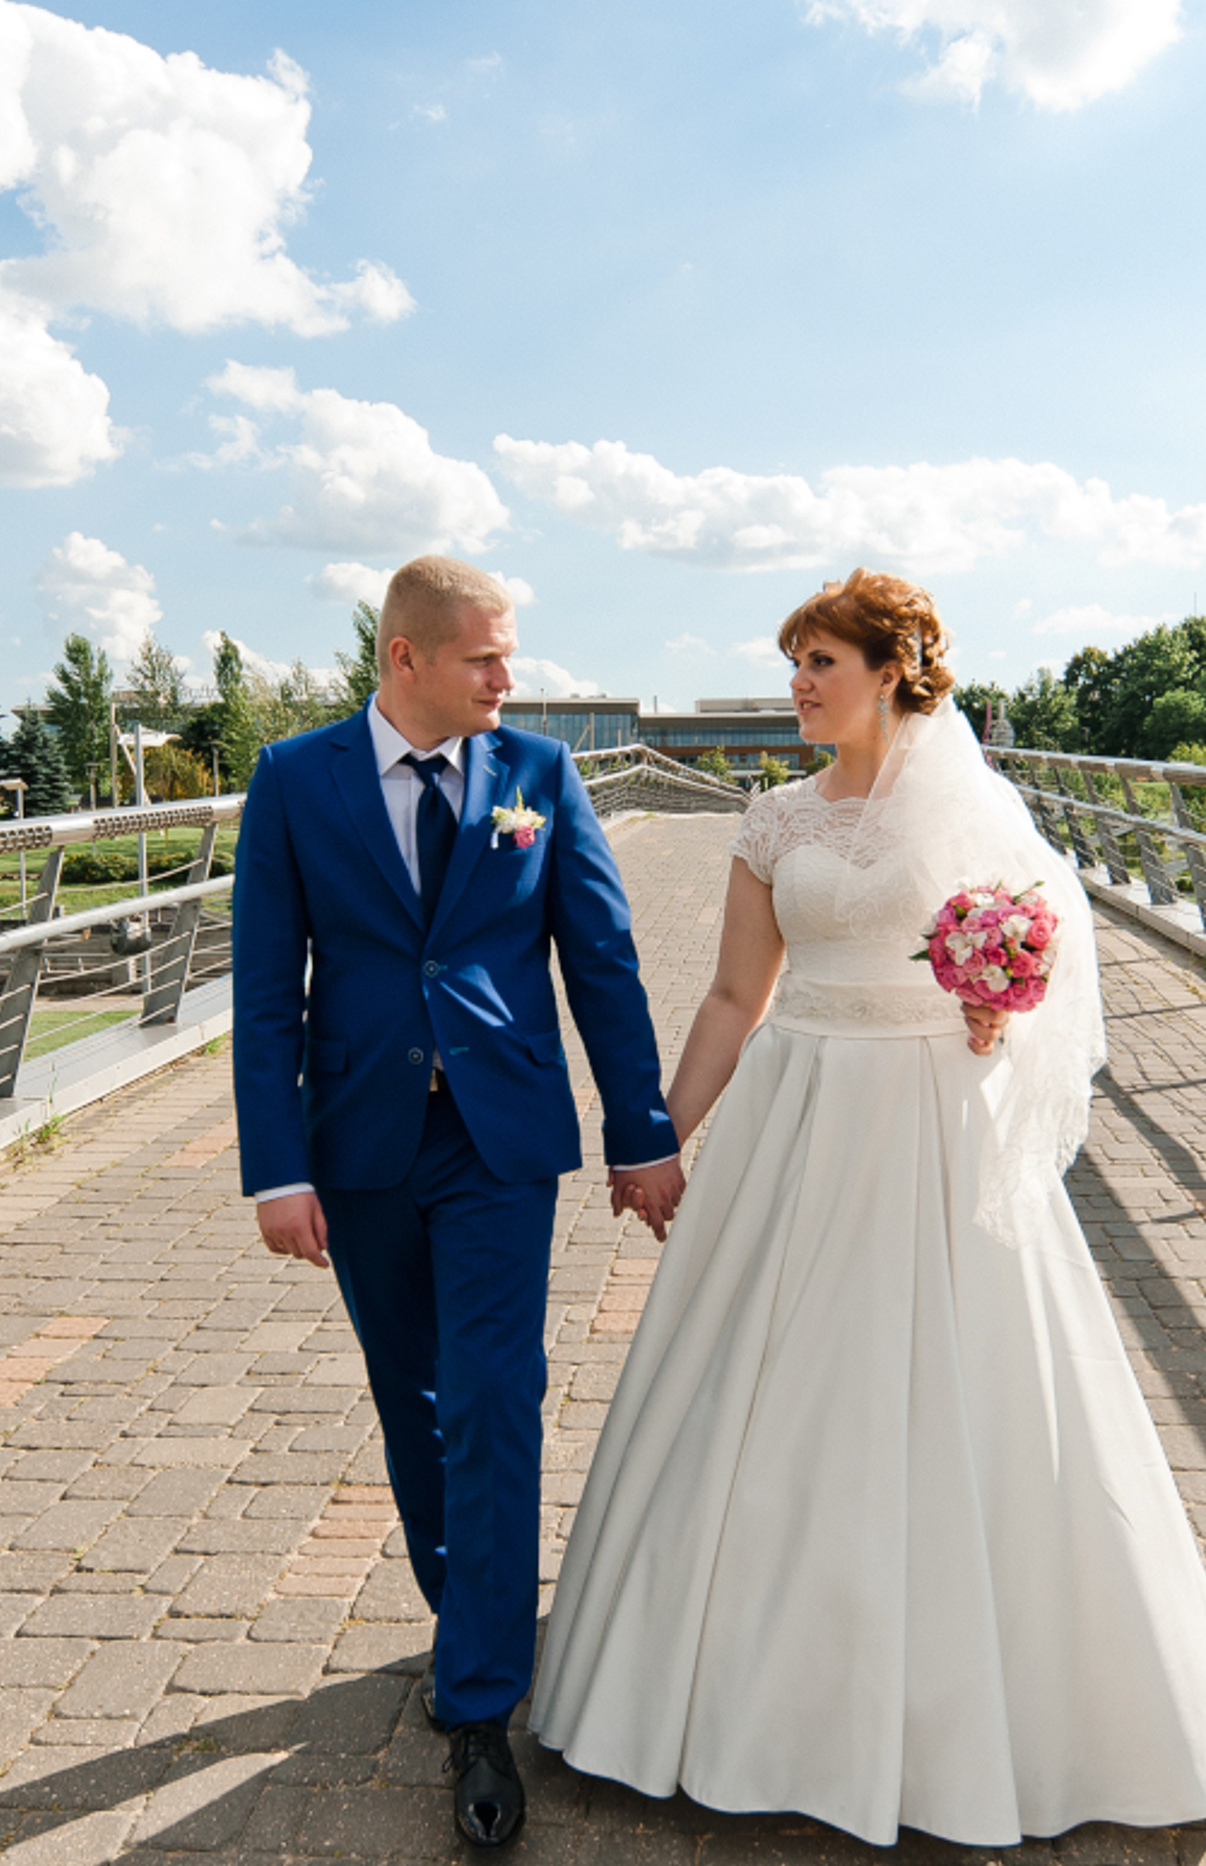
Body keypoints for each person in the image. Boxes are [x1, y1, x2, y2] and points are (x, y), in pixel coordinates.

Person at [531, 569, 1206, 1848]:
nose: (798, 684)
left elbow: (1036, 952)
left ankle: (984, 1700)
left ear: (891, 669)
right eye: (793, 662)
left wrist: (999, 1001)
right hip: (795, 1115)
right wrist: (652, 1139)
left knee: (960, 1386)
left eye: (819, 660)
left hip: (932, 1125)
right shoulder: (769, 819)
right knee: (757, 1387)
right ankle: (721, 1680)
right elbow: (727, 999)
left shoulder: (973, 809)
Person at [231, 556, 683, 1849]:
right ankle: (467, 1611)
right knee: (414, 1399)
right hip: (359, 1140)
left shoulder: (540, 777)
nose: (510, 677)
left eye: (511, 654)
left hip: (501, 1140)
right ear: (405, 660)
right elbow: (265, 990)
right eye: (487, 657)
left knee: (496, 1393)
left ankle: (481, 1700)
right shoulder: (293, 781)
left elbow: (602, 959)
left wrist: (640, 1133)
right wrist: (277, 1166)